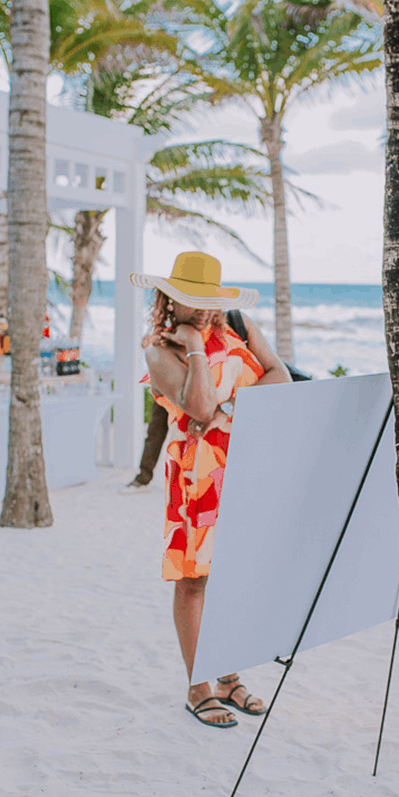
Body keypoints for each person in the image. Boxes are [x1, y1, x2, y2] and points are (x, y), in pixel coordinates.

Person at [132, 252, 291, 729]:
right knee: (195, 580)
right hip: (196, 473)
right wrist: (197, 347)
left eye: (208, 303)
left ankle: (228, 677)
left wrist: (227, 413)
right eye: (191, 303)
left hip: (245, 464)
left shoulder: (239, 325)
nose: (202, 311)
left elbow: (279, 376)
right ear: (170, 300)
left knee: (235, 575)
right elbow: (197, 407)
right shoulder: (160, 351)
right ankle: (198, 685)